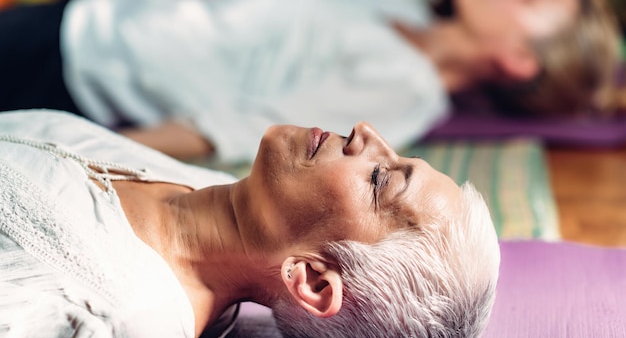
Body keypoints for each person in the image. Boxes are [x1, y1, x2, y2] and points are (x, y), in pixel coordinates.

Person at [0, 0, 620, 163]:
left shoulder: (403, 93)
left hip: (74, 71)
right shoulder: (399, 6)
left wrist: (54, 150)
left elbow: (234, 128)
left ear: (516, 59)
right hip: (90, 13)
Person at [0, 109, 500, 338]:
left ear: (312, 280)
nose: (365, 132)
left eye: (380, 179)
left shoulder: (113, 316)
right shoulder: (202, 185)